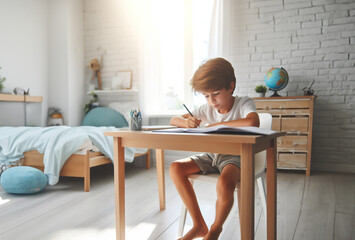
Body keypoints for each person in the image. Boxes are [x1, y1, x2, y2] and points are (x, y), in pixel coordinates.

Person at [169, 58, 259, 240]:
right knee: (175, 168)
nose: (212, 101)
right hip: (211, 155)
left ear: (231, 87)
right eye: (206, 96)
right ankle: (198, 225)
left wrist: (216, 126)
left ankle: (215, 229)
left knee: (225, 184)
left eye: (216, 94)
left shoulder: (243, 103)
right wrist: (186, 121)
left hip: (235, 157)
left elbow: (253, 121)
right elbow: (173, 119)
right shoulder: (206, 108)